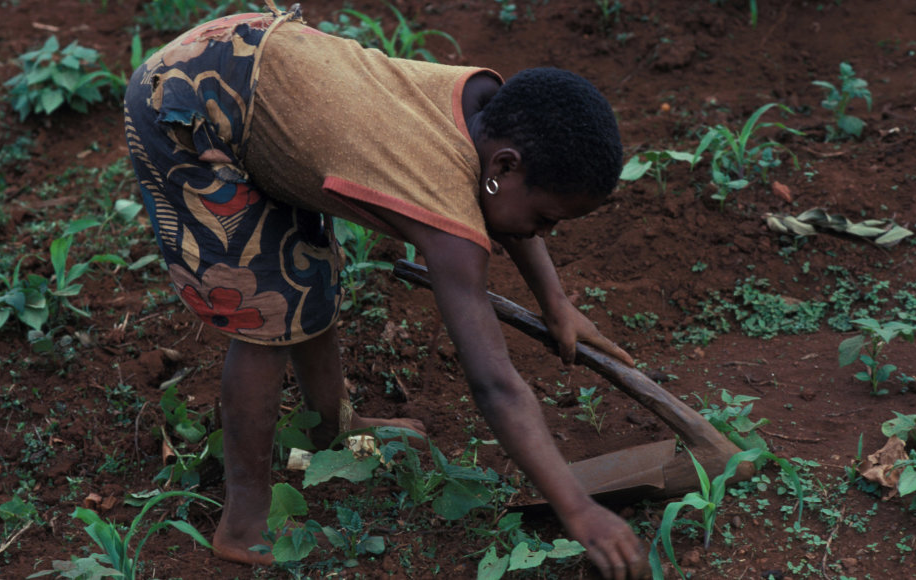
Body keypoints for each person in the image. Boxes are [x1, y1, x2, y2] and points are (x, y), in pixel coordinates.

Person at [123, 3, 647, 578]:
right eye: (546, 218)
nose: (543, 234)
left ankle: (331, 431)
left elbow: (501, 199)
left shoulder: (482, 108)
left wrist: (557, 304)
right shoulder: (448, 211)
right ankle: (245, 523)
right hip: (190, 109)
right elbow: (495, 384)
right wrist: (580, 510)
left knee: (308, 273)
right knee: (263, 314)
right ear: (504, 163)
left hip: (259, 70)